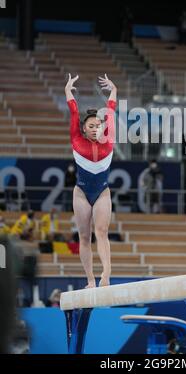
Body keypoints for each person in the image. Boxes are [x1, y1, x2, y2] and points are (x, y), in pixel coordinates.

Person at [65, 72, 117, 288]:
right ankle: (90, 280)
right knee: (84, 237)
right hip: (81, 193)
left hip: (102, 191)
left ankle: (106, 274)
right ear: (84, 129)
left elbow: (112, 110)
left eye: (99, 126)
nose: (97, 129)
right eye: (92, 126)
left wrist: (113, 90)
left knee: (102, 232)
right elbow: (74, 111)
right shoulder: (76, 138)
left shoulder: (109, 137)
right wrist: (68, 90)